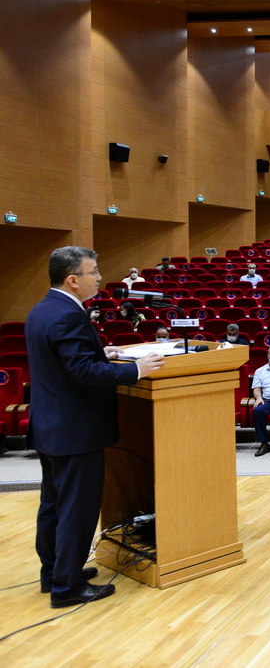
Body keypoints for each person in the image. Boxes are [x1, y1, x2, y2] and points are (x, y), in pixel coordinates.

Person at [26, 246, 163, 608]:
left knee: (53, 505)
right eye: (94, 271)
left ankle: (54, 573)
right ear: (73, 280)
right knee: (77, 508)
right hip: (75, 431)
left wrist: (101, 354)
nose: (100, 277)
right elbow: (82, 372)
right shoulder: (69, 316)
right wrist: (136, 369)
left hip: (50, 427)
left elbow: (62, 362)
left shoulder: (41, 310)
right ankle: (67, 588)